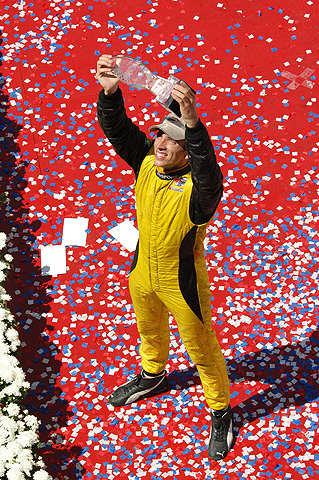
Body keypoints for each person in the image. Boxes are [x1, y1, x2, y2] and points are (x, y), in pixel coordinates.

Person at [95, 54, 233, 461]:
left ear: (187, 151)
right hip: (142, 274)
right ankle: (153, 375)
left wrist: (193, 124)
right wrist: (110, 92)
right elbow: (118, 130)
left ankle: (221, 410)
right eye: (158, 135)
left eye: (171, 140)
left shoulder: (198, 191)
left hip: (183, 286)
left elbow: (210, 173)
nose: (160, 142)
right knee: (148, 330)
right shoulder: (146, 163)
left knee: (201, 349)